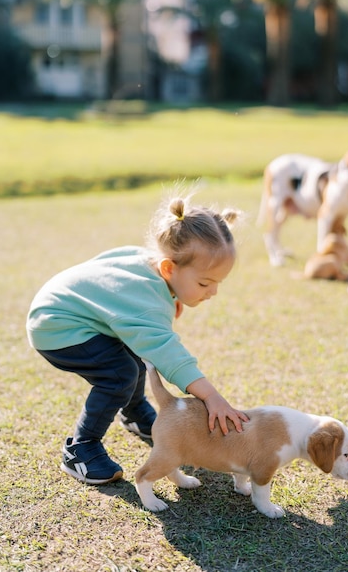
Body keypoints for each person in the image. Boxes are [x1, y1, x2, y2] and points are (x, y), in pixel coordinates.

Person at [26, 192, 249, 486]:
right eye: (205, 283)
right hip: (58, 327)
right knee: (120, 374)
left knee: (131, 358)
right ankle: (81, 448)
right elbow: (169, 355)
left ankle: (133, 412)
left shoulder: (149, 266)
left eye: (217, 283)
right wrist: (211, 396)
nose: (213, 292)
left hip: (68, 310)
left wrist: (171, 296)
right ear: (169, 268)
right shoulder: (147, 303)